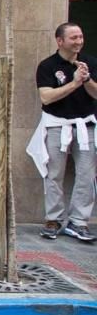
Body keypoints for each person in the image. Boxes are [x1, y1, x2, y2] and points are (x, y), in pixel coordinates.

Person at [27, 23, 97, 243]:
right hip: (57, 125)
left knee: (86, 175)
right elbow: (46, 97)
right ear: (60, 41)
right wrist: (74, 83)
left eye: (80, 37)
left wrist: (86, 80)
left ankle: (79, 222)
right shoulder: (47, 66)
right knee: (54, 174)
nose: (78, 41)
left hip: (85, 126)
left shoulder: (90, 63)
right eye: (73, 37)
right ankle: (53, 219)